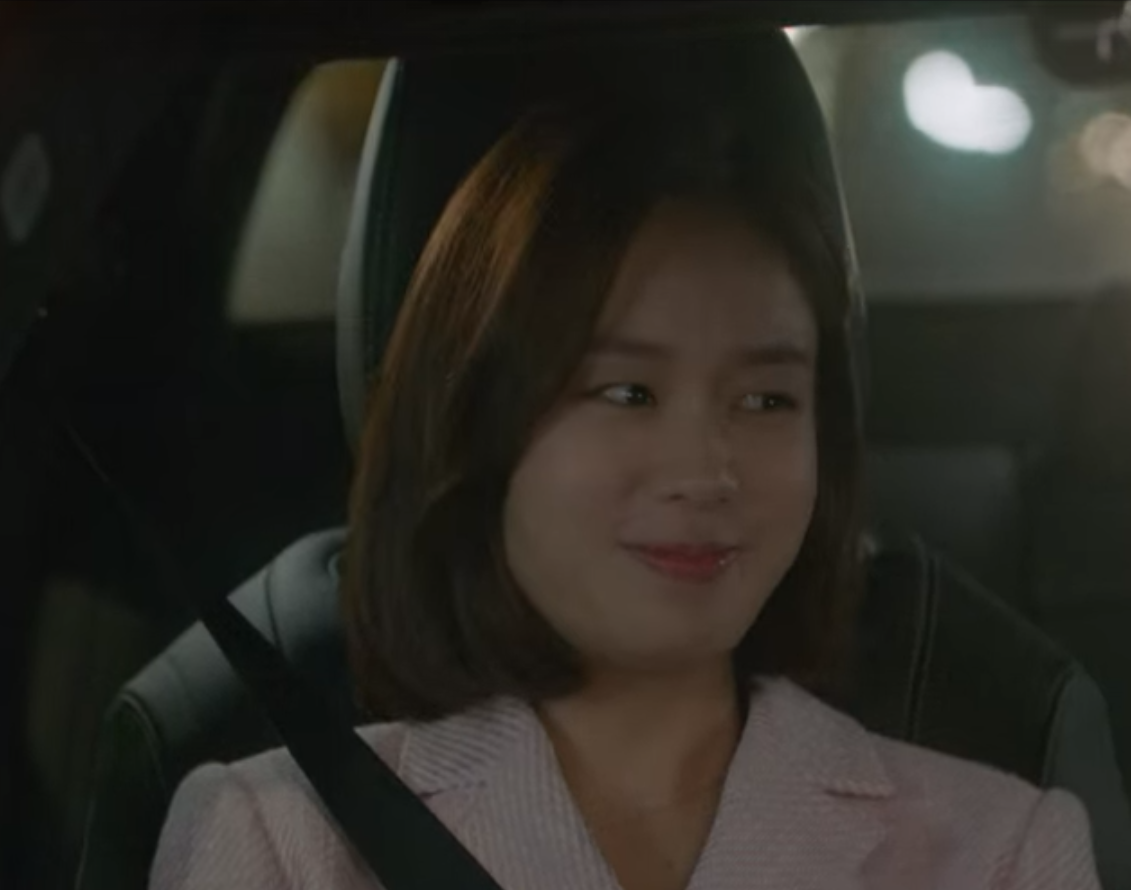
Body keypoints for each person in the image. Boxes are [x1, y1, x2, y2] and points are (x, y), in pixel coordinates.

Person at [149, 32, 1100, 890]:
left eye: (766, 399)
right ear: (477, 421)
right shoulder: (280, 841)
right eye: (626, 393)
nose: (705, 470)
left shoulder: (1001, 849)